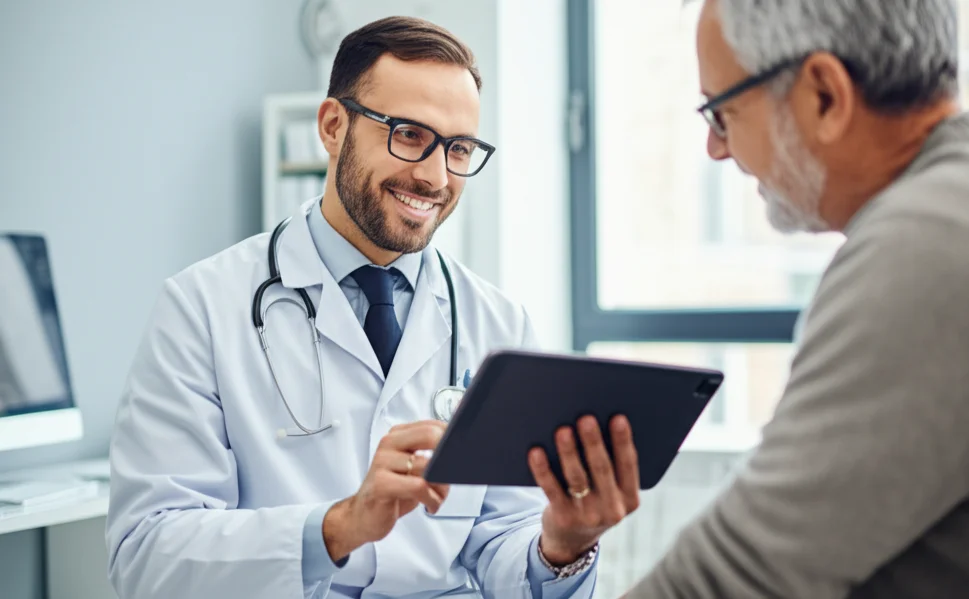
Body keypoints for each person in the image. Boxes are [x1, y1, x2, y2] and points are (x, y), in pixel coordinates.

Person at [105, 16, 640, 599]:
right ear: (333, 126)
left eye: (458, 148)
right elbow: (145, 555)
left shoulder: (499, 324)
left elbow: (501, 543)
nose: (435, 177)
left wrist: (560, 545)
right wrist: (338, 527)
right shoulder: (201, 309)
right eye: (409, 134)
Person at [625, 0, 969, 598]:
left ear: (824, 96)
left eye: (722, 113)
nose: (716, 149)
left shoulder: (933, 241)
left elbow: (739, 576)